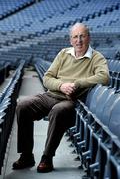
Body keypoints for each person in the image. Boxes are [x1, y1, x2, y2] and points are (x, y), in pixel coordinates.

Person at [12, 23, 110, 173]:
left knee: (58, 111)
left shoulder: (96, 57)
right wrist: (61, 85)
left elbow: (104, 77)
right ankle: (26, 156)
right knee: (22, 106)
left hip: (70, 101)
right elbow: (47, 78)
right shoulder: (63, 53)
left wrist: (78, 83)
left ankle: (47, 157)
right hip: (51, 94)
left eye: (82, 36)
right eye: (75, 37)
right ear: (71, 40)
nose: (79, 40)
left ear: (89, 38)